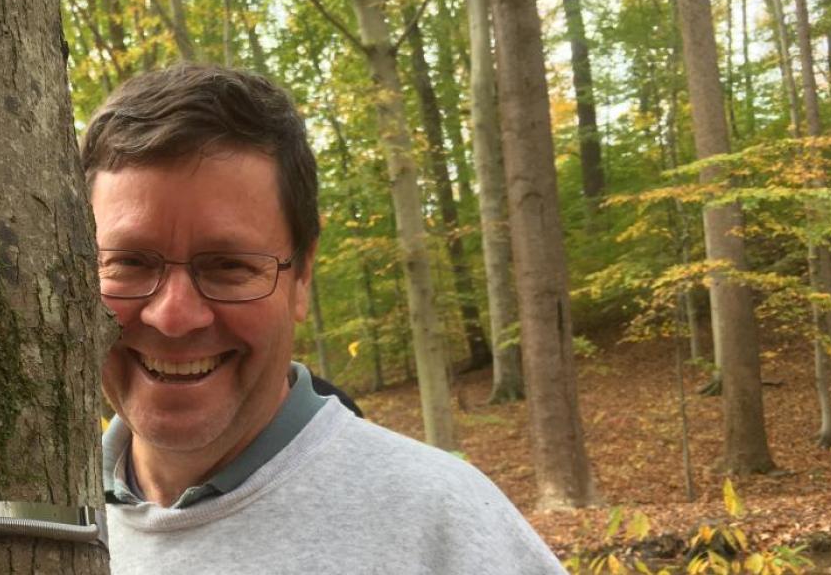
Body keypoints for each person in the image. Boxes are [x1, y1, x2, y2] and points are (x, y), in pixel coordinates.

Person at [81, 64, 565, 574]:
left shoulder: (444, 526)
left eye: (229, 266)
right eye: (129, 262)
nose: (174, 316)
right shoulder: (36, 513)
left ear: (302, 278)